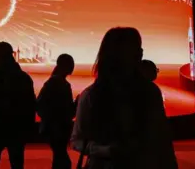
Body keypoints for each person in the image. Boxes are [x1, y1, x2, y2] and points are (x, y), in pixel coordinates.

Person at [71, 27, 177, 169]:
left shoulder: (91, 95)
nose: (141, 53)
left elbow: (78, 141)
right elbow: (163, 143)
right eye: (134, 49)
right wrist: (108, 151)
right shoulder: (150, 92)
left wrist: (104, 151)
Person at [0, 41, 36, 169]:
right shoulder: (24, 78)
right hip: (17, 131)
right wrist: (28, 130)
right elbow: (31, 107)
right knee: (17, 164)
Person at [37, 54, 76, 169]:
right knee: (62, 159)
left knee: (59, 158)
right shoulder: (62, 84)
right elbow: (68, 111)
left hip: (52, 128)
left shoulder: (52, 82)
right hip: (58, 129)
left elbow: (40, 104)